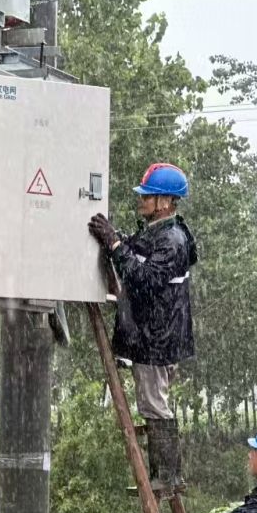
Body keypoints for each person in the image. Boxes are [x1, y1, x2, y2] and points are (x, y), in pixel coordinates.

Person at [88, 163, 197, 496]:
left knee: (154, 404)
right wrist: (118, 240)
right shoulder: (158, 231)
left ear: (164, 201)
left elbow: (145, 278)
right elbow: (135, 252)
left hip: (158, 338)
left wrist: (115, 246)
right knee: (152, 402)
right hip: (153, 334)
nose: (142, 201)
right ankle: (163, 475)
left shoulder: (173, 240)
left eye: (147, 197)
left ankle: (168, 476)